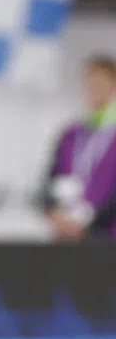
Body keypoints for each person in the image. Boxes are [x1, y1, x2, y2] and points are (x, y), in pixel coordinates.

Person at [44, 54, 116, 239]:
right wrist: (55, 212)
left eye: (101, 82)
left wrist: (89, 222)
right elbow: (51, 179)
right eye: (91, 82)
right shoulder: (71, 134)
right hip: (68, 233)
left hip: (106, 236)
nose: (95, 88)